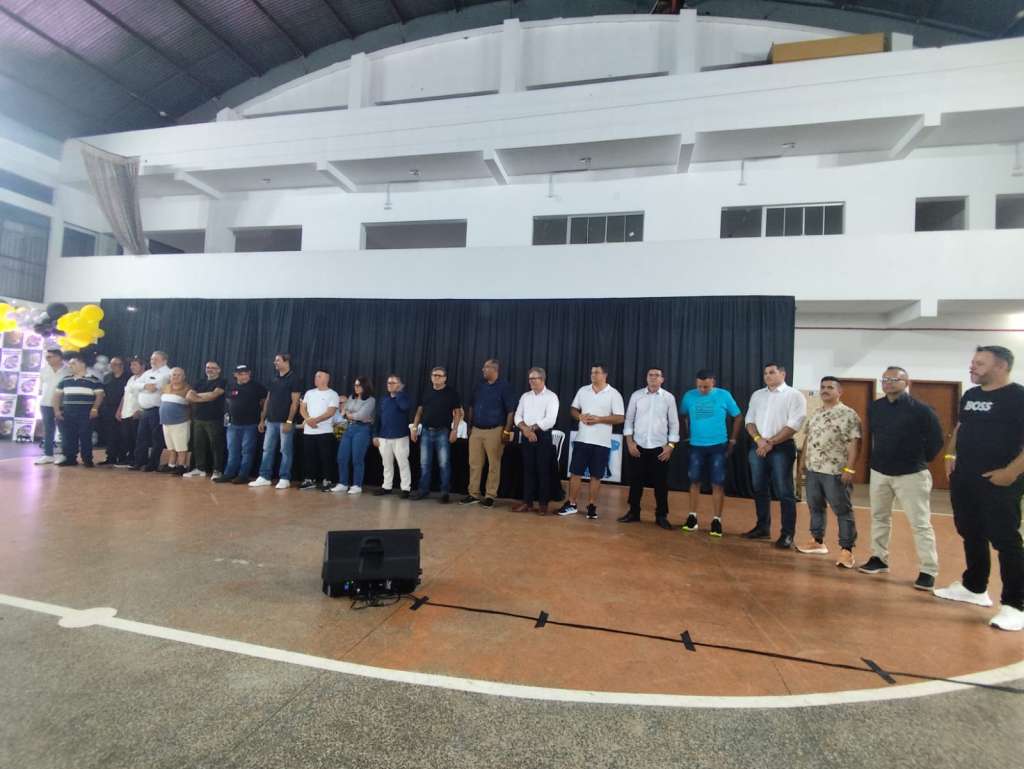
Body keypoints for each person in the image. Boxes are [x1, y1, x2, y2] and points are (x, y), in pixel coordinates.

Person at [935, 346, 1024, 631]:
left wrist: (1011, 472)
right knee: (970, 531)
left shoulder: (1018, 397)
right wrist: (950, 454)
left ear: (1001, 366)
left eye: (980, 363)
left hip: (998, 480)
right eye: (973, 362)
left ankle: (1016, 605)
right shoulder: (971, 395)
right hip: (965, 478)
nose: (972, 367)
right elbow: (961, 427)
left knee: (1005, 539)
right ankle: (974, 587)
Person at [859, 366, 944, 590]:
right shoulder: (876, 407)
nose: (888, 383)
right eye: (884, 379)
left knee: (920, 523)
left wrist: (918, 459)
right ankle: (879, 558)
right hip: (880, 472)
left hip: (911, 474)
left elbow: (936, 440)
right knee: (879, 517)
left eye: (893, 379)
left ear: (907, 382)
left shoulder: (922, 410)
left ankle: (928, 570)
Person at [794, 376, 862, 569]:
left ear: (839, 392)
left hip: (835, 471)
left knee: (842, 510)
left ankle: (847, 550)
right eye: (822, 387)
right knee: (815, 506)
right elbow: (808, 438)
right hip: (813, 469)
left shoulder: (848, 414)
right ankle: (817, 541)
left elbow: (855, 443)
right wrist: (802, 462)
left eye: (830, 387)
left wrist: (849, 468)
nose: (825, 390)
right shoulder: (816, 413)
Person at [744, 362, 807, 548]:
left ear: (783, 374)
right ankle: (762, 527)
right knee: (759, 488)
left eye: (772, 372)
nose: (767, 376)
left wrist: (771, 442)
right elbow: (749, 420)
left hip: (781, 448)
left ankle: (787, 534)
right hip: (758, 446)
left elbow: (794, 424)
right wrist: (759, 440)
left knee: (784, 492)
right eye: (765, 373)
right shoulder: (757, 395)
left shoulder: (794, 395)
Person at [678, 369, 743, 536]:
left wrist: (732, 440)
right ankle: (692, 517)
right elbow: (682, 415)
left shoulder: (724, 395)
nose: (702, 389)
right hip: (696, 446)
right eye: (699, 386)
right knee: (694, 481)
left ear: (713, 382)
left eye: (706, 387)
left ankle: (716, 520)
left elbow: (738, 416)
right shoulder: (689, 396)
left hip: (718, 446)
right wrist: (686, 436)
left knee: (717, 483)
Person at [558, 364, 625, 520]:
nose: (593, 375)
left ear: (605, 375)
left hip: (602, 442)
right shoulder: (583, 390)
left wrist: (599, 419)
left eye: (597, 372)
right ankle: (572, 503)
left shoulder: (614, 394)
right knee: (575, 473)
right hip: (582, 439)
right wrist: (579, 416)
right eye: (592, 372)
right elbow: (573, 409)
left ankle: (592, 505)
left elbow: (620, 417)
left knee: (596, 475)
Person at [618, 367, 680, 530]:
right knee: (635, 481)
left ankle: (661, 516)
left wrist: (671, 446)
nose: (653, 377)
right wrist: (630, 443)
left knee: (661, 484)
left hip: (660, 448)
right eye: (650, 375)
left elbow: (674, 423)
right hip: (638, 445)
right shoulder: (636, 396)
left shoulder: (668, 398)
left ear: (662, 379)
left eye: (657, 375)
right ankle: (633, 512)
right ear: (646, 378)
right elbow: (629, 420)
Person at [461, 359, 517, 508]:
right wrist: (470, 426)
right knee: (474, 463)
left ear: (494, 369)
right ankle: (473, 493)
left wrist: (507, 430)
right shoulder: (479, 385)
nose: (483, 370)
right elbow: (471, 406)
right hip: (476, 430)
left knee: (494, 464)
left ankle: (490, 495)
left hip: (495, 430)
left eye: (486, 367)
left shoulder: (505, 387)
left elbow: (511, 411)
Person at [410, 367, 463, 503]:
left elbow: (457, 413)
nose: (436, 377)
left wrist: (454, 430)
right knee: (424, 464)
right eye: (434, 375)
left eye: (439, 376)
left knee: (444, 464)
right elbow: (419, 411)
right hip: (426, 431)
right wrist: (414, 428)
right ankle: (423, 490)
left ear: (445, 378)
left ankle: (445, 492)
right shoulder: (426, 391)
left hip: (443, 432)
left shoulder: (451, 393)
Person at [512, 368, 560, 514]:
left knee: (543, 470)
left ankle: (543, 504)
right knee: (528, 470)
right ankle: (527, 502)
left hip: (543, 436)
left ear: (542, 379)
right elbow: (517, 416)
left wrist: (531, 428)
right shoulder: (525, 396)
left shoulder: (551, 397)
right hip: (527, 436)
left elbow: (550, 420)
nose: (531, 381)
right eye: (530, 379)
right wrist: (526, 430)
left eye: (534, 378)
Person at [251, 353, 301, 489]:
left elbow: (295, 402)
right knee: (267, 449)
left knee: (285, 450)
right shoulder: (273, 378)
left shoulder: (294, 379)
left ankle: (285, 478)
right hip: (271, 420)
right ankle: (264, 476)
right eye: (275, 360)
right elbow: (268, 399)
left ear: (286, 362)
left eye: (278, 360)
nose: (275, 362)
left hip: (285, 421)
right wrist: (262, 419)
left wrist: (289, 421)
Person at [213, 365, 267, 485]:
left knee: (247, 450)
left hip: (250, 424)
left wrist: (262, 420)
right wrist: (227, 418)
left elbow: (265, 403)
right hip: (233, 424)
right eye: (241, 374)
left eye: (246, 373)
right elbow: (228, 402)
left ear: (249, 373)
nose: (244, 376)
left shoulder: (257, 387)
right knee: (232, 450)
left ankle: (243, 475)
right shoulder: (231, 386)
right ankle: (229, 473)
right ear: (235, 375)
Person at [53, 354, 103, 467]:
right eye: (70, 364)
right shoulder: (65, 379)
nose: (70, 366)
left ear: (82, 364)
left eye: (73, 363)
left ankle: (87, 459)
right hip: (68, 412)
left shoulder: (94, 380)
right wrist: (56, 410)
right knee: (69, 436)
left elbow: (99, 395)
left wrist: (95, 408)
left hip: (86, 413)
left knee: (85, 436)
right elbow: (57, 396)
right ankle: (70, 458)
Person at [298, 368, 340, 491]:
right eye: (316, 376)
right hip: (309, 431)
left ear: (327, 379)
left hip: (325, 431)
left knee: (326, 457)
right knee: (309, 456)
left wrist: (315, 421)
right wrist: (308, 419)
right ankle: (309, 480)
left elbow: (330, 412)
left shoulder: (333, 394)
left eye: (319, 376)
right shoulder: (309, 393)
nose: (316, 378)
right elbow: (302, 408)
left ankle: (327, 480)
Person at [333, 376, 376, 494]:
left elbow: (361, 415)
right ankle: (343, 483)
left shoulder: (371, 400)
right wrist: (350, 414)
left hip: (362, 429)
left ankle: (357, 485)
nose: (356, 387)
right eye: (355, 385)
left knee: (357, 458)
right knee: (342, 457)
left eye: (359, 385)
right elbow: (343, 411)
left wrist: (350, 414)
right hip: (348, 427)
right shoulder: (351, 397)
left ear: (365, 386)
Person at [130, 350, 171, 472]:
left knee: (156, 439)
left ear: (164, 361)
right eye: (152, 359)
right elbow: (133, 385)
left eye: (156, 359)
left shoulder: (167, 373)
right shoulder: (148, 372)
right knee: (141, 437)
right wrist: (144, 386)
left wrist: (143, 386)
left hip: (157, 410)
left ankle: (152, 464)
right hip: (145, 410)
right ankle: (139, 462)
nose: (152, 361)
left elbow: (154, 388)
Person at [184, 361, 226, 479]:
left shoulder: (222, 381)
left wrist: (197, 397)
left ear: (219, 370)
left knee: (216, 446)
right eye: (208, 367)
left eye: (213, 368)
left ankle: (217, 470)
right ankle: (199, 468)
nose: (209, 369)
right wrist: (204, 397)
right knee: (198, 445)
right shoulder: (200, 381)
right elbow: (188, 396)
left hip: (214, 419)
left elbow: (214, 395)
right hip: (198, 418)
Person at [373, 374, 412, 498]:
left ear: (399, 385)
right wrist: (375, 435)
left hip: (400, 437)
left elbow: (404, 407)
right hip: (384, 437)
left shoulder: (404, 398)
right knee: (386, 464)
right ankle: (387, 487)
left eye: (393, 383)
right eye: (389, 383)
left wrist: (398, 394)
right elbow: (377, 417)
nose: (390, 385)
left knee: (403, 463)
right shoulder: (383, 399)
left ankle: (406, 489)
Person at [34, 349, 69, 465]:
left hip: (62, 404)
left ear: (58, 357)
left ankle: (64, 454)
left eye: (50, 357)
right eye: (46, 357)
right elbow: (41, 387)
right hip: (45, 403)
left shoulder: (68, 370)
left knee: (64, 430)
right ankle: (48, 454)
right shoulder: (44, 370)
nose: (47, 359)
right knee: (48, 430)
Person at [113, 357, 145, 468]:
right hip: (126, 411)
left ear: (142, 366)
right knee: (126, 437)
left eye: (135, 365)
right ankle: (129, 458)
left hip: (136, 412)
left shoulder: (146, 378)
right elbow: (125, 395)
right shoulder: (131, 378)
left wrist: (140, 410)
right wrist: (119, 409)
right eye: (131, 365)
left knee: (136, 438)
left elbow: (147, 396)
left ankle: (138, 460)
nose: (132, 367)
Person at [159, 367, 191, 475]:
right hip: (166, 422)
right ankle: (171, 464)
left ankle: (182, 465)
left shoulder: (187, 389)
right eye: (174, 375)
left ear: (184, 377)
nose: (176, 377)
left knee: (181, 446)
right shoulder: (165, 387)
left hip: (180, 422)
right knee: (171, 446)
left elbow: (192, 405)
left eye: (179, 375)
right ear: (170, 376)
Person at [97, 357, 128, 466]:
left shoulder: (128, 377)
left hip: (122, 408)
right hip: (108, 409)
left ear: (121, 365)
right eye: (111, 364)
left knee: (122, 434)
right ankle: (110, 457)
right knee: (110, 434)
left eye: (115, 364)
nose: (113, 366)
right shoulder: (107, 377)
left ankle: (122, 457)